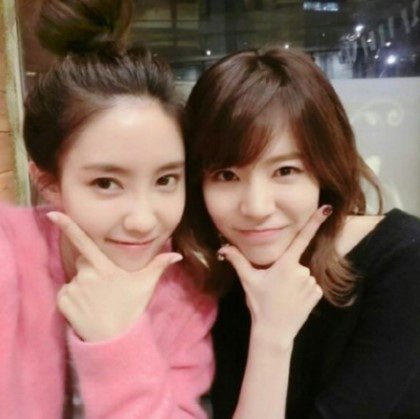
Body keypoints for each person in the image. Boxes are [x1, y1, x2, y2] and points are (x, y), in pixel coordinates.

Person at [0, 0, 215, 418]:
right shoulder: (9, 257)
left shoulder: (186, 292)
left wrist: (117, 339)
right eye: (106, 183)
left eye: (166, 180)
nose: (143, 221)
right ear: (48, 182)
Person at [184, 45, 420, 419]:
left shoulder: (404, 261)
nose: (256, 207)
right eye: (226, 175)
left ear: (325, 170)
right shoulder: (229, 274)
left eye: (285, 171)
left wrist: (271, 337)